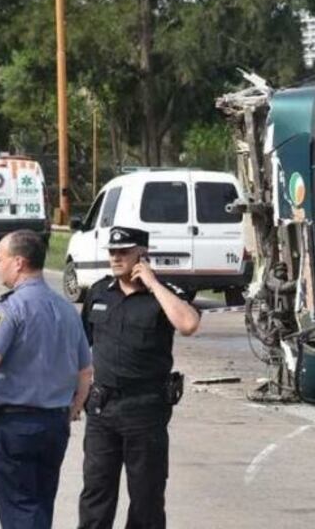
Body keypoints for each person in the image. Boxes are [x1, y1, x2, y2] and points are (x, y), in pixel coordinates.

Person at [0, 230, 93, 529]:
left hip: (16, 426)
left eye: (0, 259)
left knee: (20, 510)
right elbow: (85, 371)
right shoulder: (66, 309)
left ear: (19, 262)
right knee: (39, 505)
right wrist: (73, 409)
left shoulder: (11, 308)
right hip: (54, 424)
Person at [78, 226, 200, 529]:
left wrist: (153, 284)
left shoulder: (165, 293)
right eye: (112, 252)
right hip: (102, 407)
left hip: (145, 409)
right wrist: (75, 396)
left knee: (146, 497)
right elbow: (80, 347)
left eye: (124, 252)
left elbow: (188, 324)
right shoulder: (99, 292)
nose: (116, 258)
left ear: (142, 254)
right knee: (96, 493)